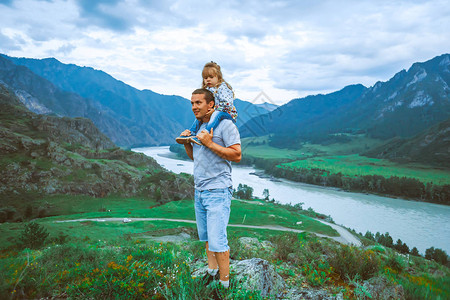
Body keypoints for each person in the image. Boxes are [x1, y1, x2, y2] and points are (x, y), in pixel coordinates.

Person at [178, 88, 241, 289]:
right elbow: (195, 157)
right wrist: (188, 142)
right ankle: (212, 273)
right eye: (192, 103)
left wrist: (209, 143)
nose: (194, 107)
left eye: (198, 103)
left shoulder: (225, 125)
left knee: (218, 241)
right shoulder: (199, 126)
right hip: (200, 191)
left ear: (211, 104)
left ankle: (225, 285)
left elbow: (237, 155)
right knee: (206, 238)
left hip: (218, 191)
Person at [176, 61, 238, 145]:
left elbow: (227, 103)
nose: (208, 79)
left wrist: (214, 110)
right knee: (200, 115)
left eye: (211, 77)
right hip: (215, 111)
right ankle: (191, 133)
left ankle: (205, 133)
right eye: (205, 78)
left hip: (227, 112)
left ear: (218, 77)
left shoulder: (222, 87)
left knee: (217, 114)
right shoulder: (208, 89)